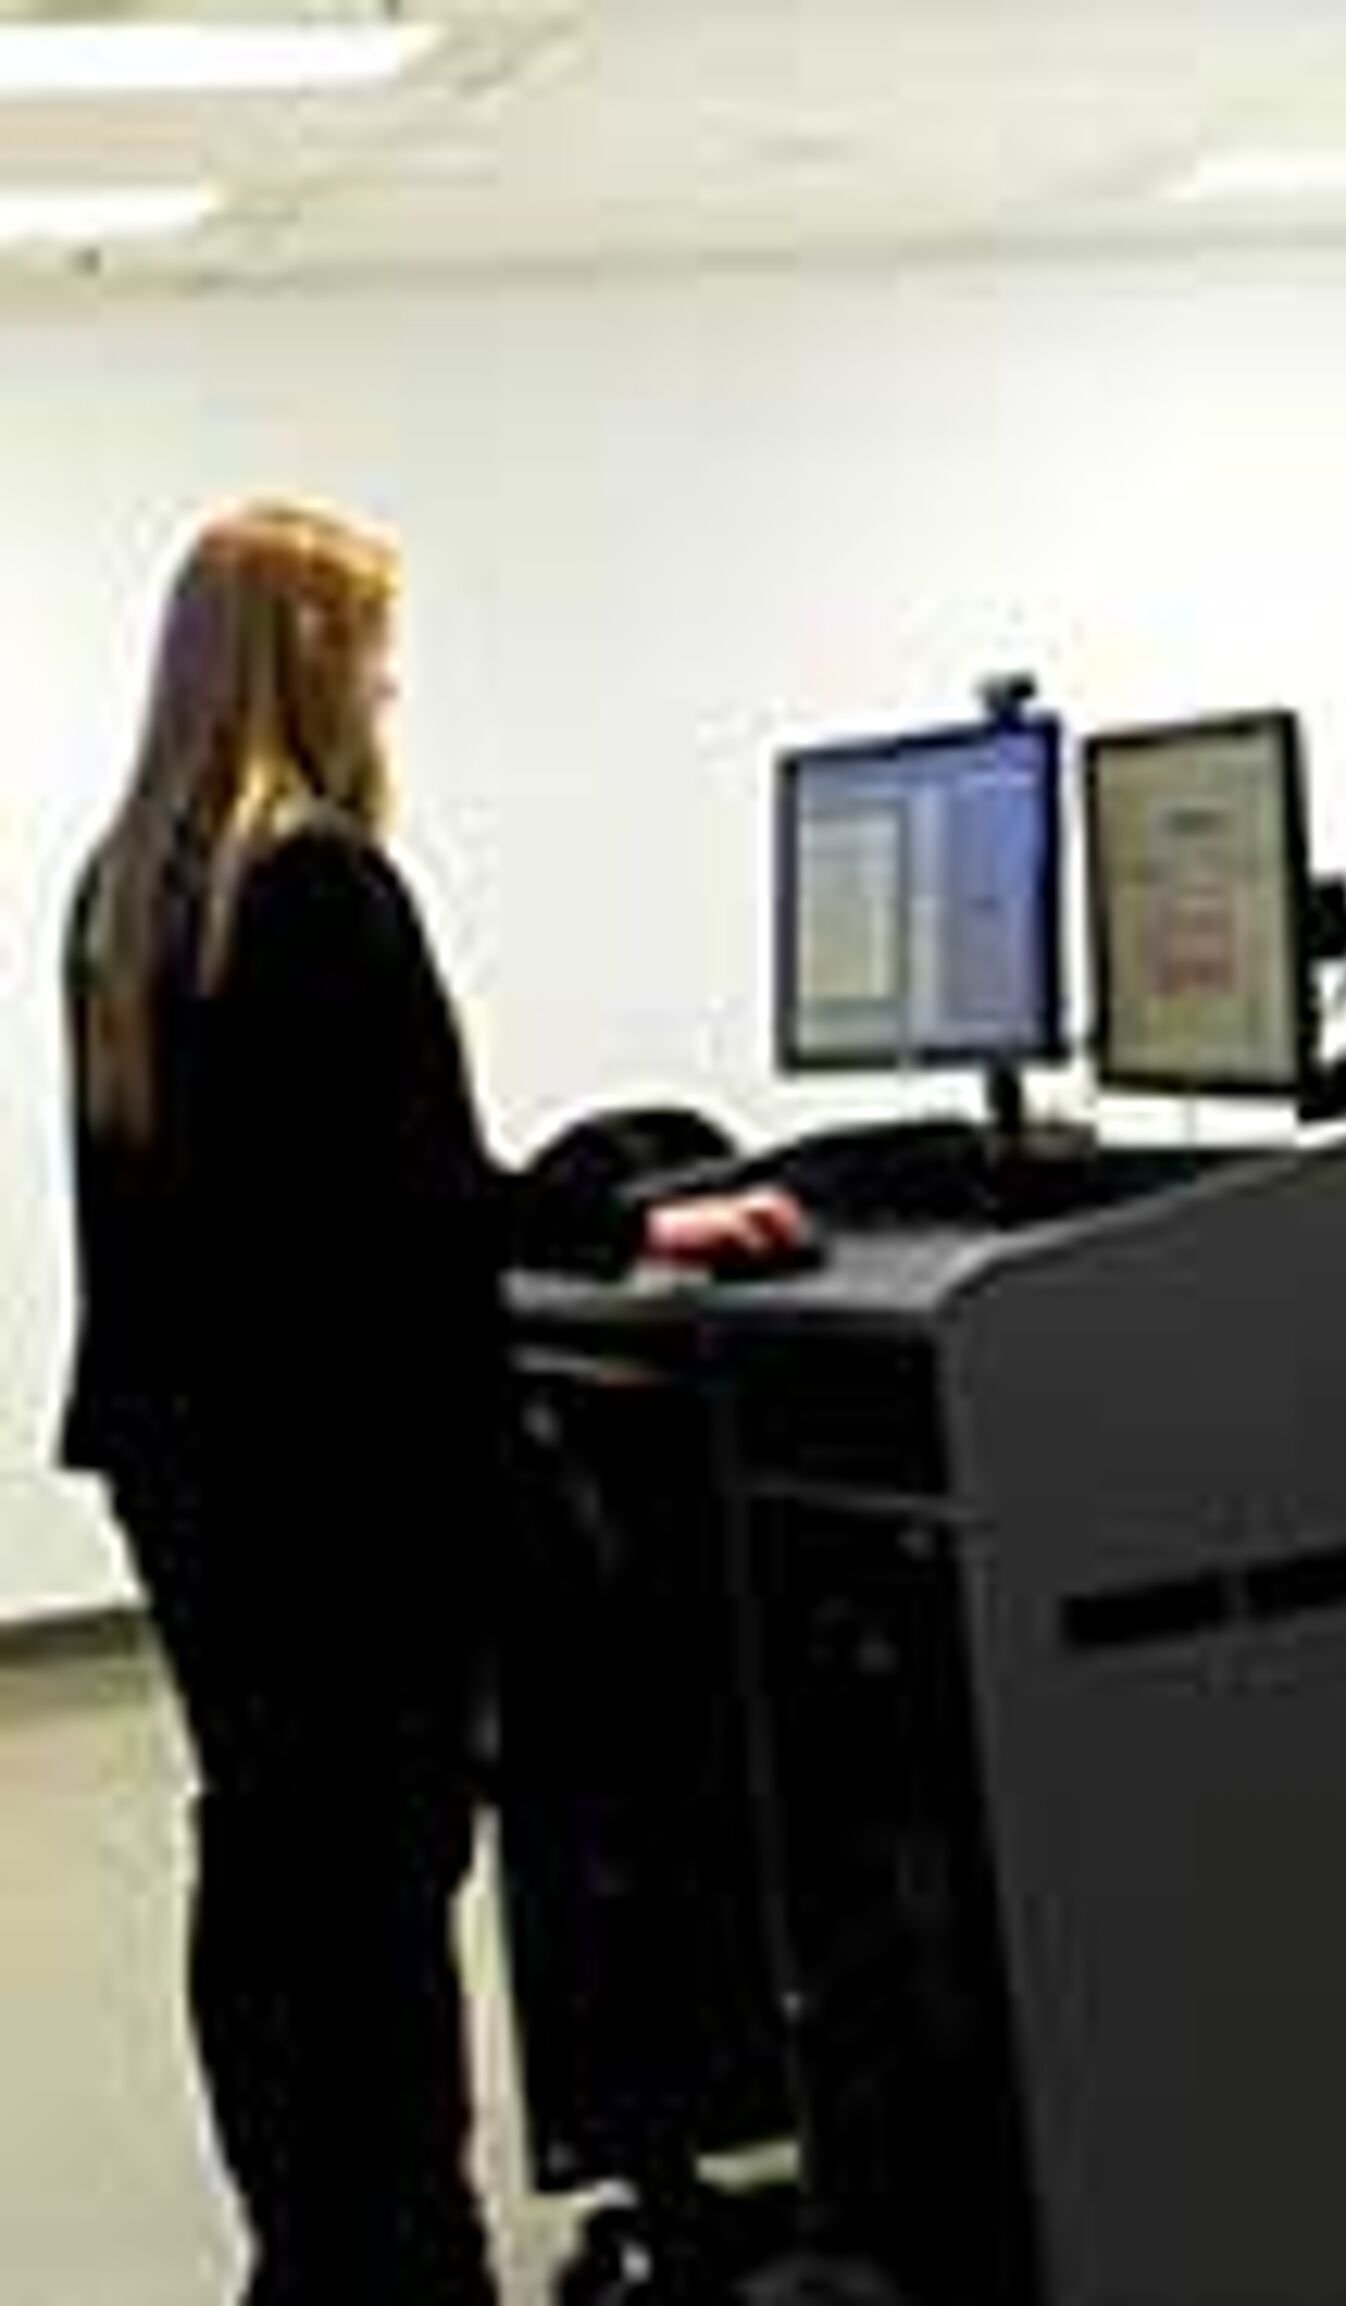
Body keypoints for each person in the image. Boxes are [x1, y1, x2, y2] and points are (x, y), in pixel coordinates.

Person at [57, 503, 803, 2306]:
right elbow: (421, 1199)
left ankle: (319, 2247)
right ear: (310, 658)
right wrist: (639, 1222)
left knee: (270, 1856)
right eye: (372, 645)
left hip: (194, 1465)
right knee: (379, 1890)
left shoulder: (129, 885)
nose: (390, 681)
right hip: (347, 1478)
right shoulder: (316, 876)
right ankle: (401, 2254)